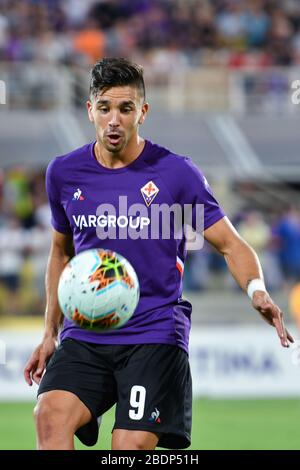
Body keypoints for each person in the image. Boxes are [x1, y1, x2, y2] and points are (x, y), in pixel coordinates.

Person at [24, 57, 293, 450]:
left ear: (143, 112)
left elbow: (230, 243)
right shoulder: (63, 173)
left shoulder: (175, 174)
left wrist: (256, 289)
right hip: (86, 333)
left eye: (125, 108)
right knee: (48, 416)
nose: (114, 119)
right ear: (90, 111)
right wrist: (49, 333)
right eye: (104, 108)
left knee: (128, 449)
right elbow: (59, 255)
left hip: (153, 334)